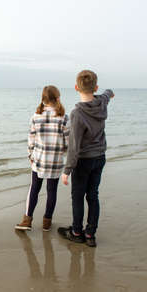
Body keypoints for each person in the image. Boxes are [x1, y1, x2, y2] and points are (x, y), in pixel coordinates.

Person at [58, 70, 114, 247]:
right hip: (99, 157)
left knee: (78, 196)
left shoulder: (77, 113)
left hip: (83, 161)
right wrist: (109, 93)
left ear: (76, 87)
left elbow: (74, 146)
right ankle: (90, 234)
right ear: (96, 87)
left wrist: (67, 170)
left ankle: (76, 232)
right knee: (93, 195)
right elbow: (108, 93)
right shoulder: (102, 102)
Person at [15, 85, 69, 232]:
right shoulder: (63, 117)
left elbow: (31, 139)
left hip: (38, 160)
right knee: (52, 191)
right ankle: (47, 222)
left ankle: (27, 220)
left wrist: (30, 155)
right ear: (57, 98)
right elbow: (68, 142)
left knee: (34, 189)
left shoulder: (36, 116)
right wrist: (62, 152)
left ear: (43, 99)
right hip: (55, 161)